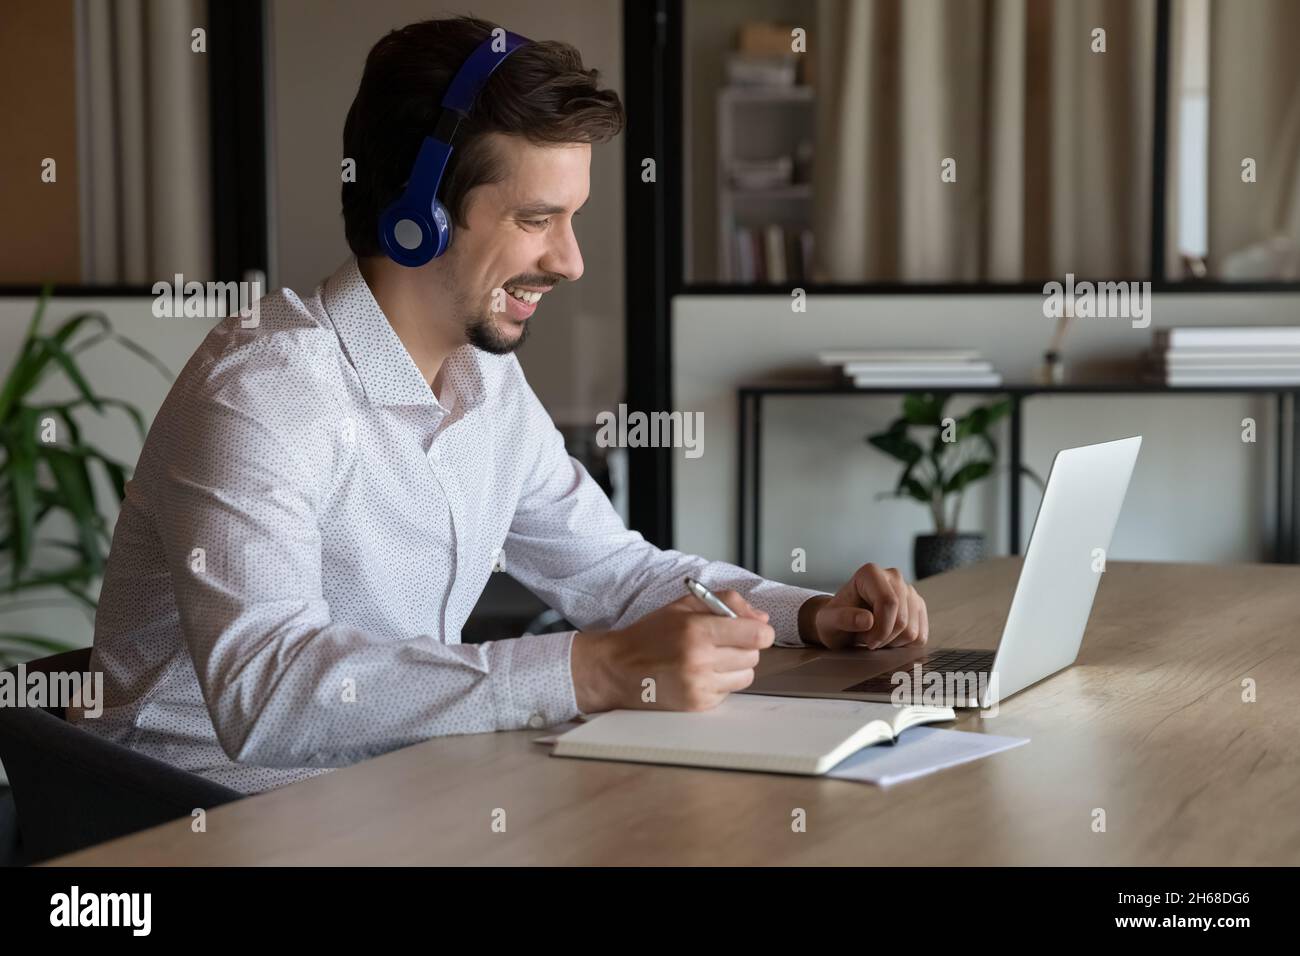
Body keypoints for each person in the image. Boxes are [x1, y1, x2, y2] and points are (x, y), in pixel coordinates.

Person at [71, 15, 927, 794]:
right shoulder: (265, 393)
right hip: (194, 821)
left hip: (375, 793)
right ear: (419, 217)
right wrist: (587, 671)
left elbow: (611, 573)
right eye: (536, 219)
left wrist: (808, 615)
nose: (570, 261)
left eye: (572, 219)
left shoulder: (486, 384)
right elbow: (266, 695)